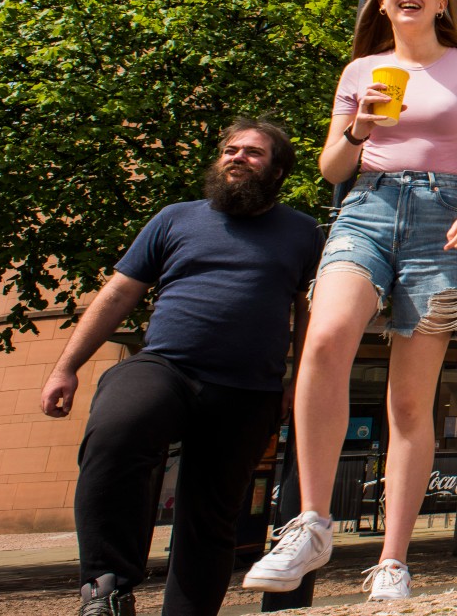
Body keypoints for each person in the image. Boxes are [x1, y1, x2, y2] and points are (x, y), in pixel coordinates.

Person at [244, 0, 457, 601]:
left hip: (443, 217)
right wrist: (359, 126)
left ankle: (392, 560)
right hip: (367, 207)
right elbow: (333, 168)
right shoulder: (361, 70)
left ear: (441, 1)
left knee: (410, 400)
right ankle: (312, 522)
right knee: (326, 337)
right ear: (382, 1)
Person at [39, 118, 321, 616]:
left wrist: (298, 384)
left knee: (211, 518)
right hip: (165, 367)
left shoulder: (303, 232)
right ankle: (106, 590)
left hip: (248, 388)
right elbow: (118, 293)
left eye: (253, 152)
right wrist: (66, 367)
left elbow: (309, 313)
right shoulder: (175, 219)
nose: (237, 157)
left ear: (277, 171)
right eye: (230, 149)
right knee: (116, 433)